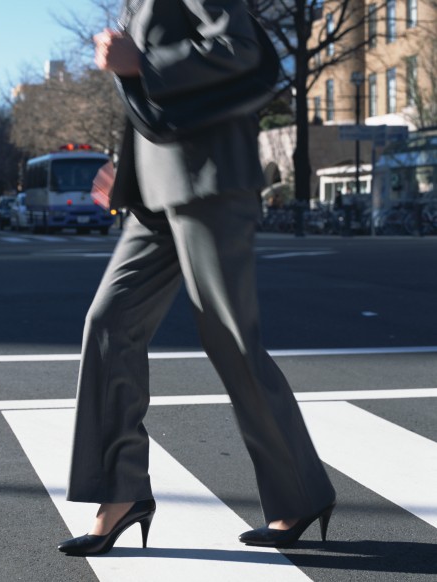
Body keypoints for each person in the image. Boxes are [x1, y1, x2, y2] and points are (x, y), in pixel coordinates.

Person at [57, 0, 336, 557]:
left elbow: (241, 49)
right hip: (156, 191)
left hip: (208, 181)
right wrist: (126, 164)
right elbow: (155, 100)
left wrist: (145, 62)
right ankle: (121, 492)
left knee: (229, 340)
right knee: (109, 322)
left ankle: (299, 493)